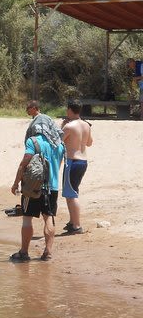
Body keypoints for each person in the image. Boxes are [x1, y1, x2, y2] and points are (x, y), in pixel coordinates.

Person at [10, 108, 66, 262]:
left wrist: (16, 183)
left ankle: (24, 252)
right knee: (49, 218)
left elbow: (24, 163)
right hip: (52, 187)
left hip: (32, 187)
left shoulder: (33, 141)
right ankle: (47, 252)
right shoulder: (59, 145)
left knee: (27, 218)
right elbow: (58, 165)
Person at [61, 99, 93, 234]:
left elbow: (57, 140)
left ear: (69, 110)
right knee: (72, 192)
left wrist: (61, 125)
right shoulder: (86, 125)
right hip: (83, 162)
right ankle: (72, 221)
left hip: (72, 161)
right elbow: (89, 143)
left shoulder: (69, 126)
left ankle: (76, 225)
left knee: (71, 195)